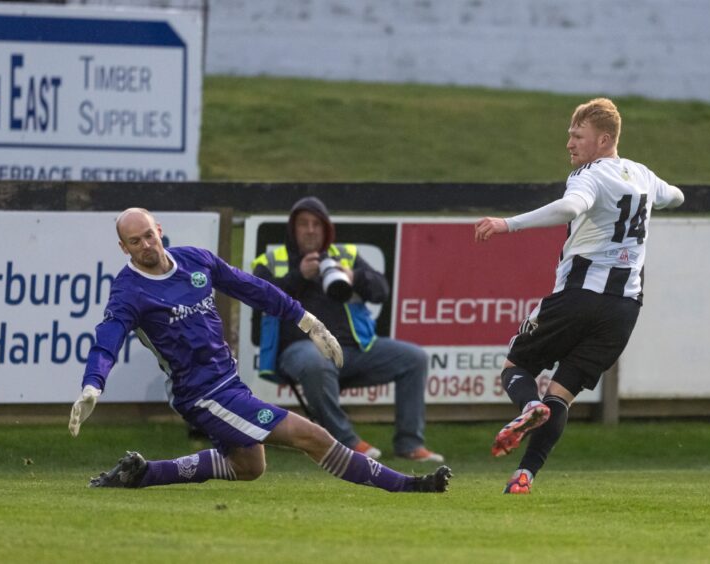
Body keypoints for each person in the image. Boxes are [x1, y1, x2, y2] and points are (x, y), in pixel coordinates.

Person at [69, 208, 451, 494]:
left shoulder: (194, 260)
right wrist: (93, 384)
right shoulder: (128, 290)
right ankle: (409, 485)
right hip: (200, 394)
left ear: (159, 230)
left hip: (227, 382)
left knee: (249, 466)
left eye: (149, 235)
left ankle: (143, 474)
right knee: (311, 436)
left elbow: (252, 288)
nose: (146, 246)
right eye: (135, 242)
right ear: (124, 247)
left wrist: (307, 321)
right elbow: (109, 337)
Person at [474, 98, 685, 494]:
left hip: (579, 297)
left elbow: (571, 207)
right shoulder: (641, 174)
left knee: (515, 366)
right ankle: (525, 475)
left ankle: (527, 406)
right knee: (562, 395)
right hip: (624, 309)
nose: (569, 143)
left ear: (603, 140)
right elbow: (674, 196)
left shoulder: (591, 174)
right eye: (569, 134)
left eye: (578, 135)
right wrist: (669, 195)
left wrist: (509, 224)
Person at [252, 197, 443, 463]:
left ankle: (410, 444)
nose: (310, 230)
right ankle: (346, 441)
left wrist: (354, 277)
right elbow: (259, 298)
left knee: (415, 358)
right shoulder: (271, 260)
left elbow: (381, 291)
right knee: (316, 360)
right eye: (303, 224)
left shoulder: (345, 256)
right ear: (292, 229)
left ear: (326, 229)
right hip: (299, 351)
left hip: (354, 349)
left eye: (316, 224)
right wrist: (299, 276)